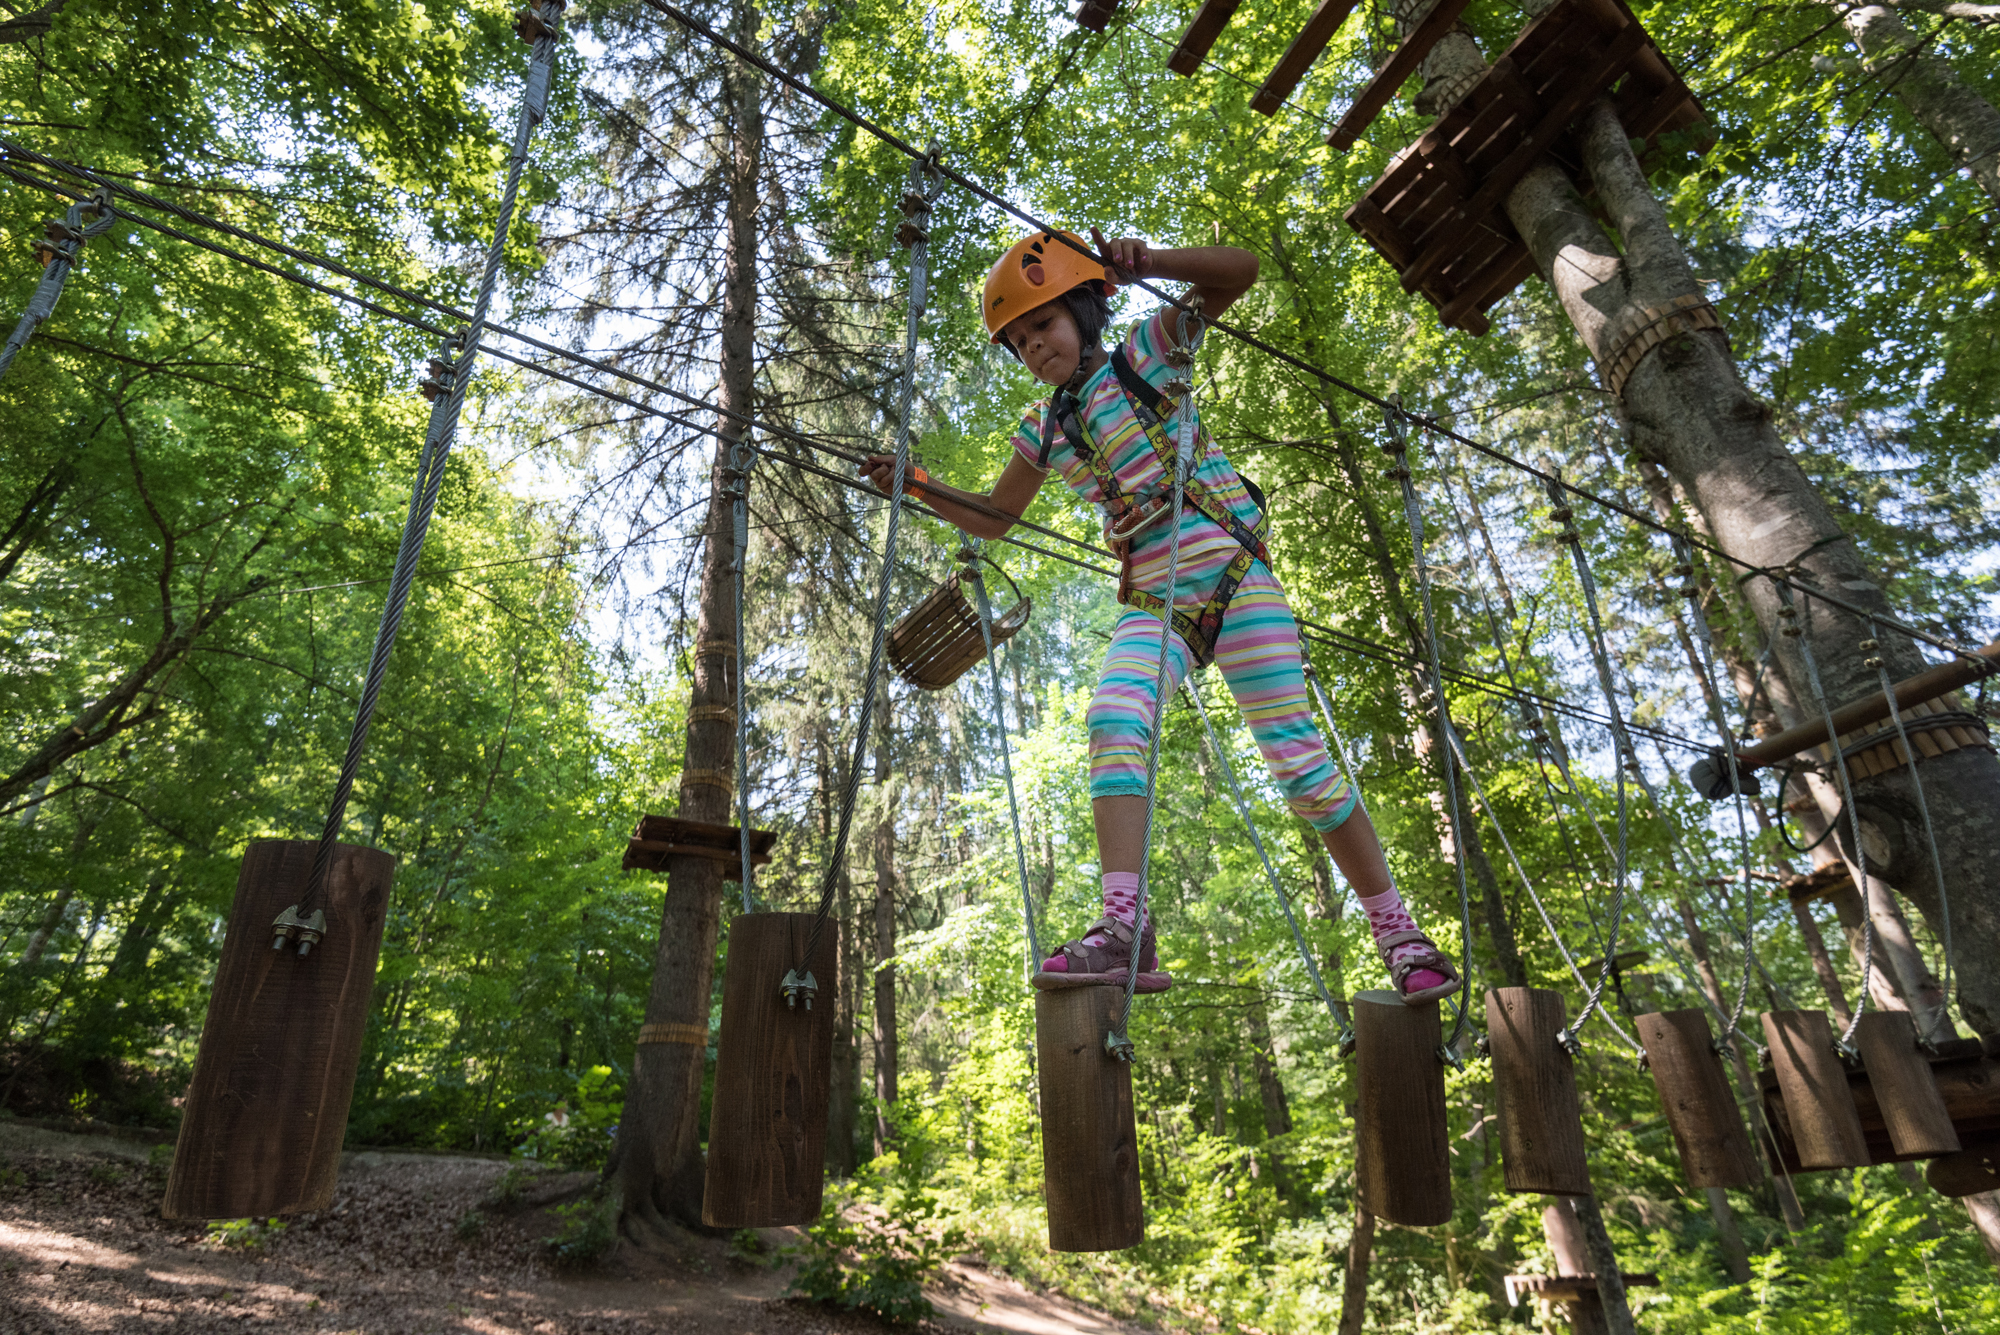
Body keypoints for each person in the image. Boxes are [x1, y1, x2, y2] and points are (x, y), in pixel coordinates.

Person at [860, 228, 1458, 1005]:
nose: (1036, 346)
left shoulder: (1146, 353)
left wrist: (1147, 266)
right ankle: (1125, 928)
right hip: (1157, 595)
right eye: (1019, 340)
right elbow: (997, 514)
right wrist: (919, 484)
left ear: (1083, 308)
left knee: (1298, 762)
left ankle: (1399, 932)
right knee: (1113, 717)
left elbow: (1240, 271)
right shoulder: (1046, 428)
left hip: (1233, 573)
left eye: (1045, 324)